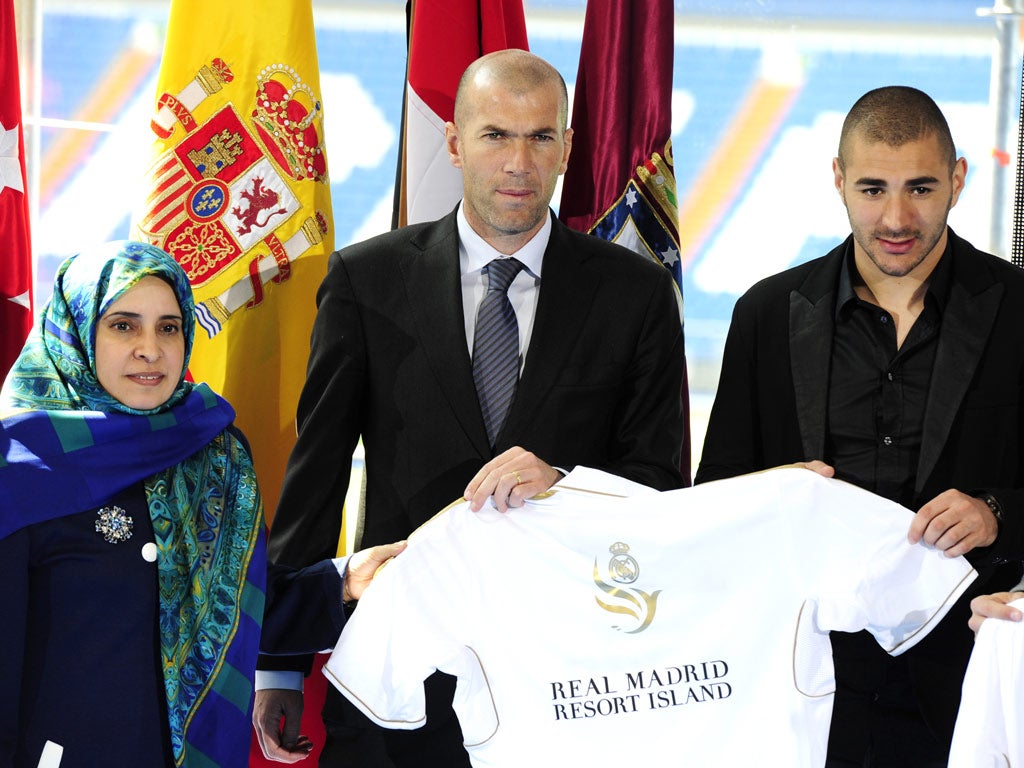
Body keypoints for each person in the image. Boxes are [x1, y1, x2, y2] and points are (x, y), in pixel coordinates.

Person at [256, 49, 687, 767]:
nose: (519, 161)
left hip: (571, 680)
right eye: (495, 135)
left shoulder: (634, 293)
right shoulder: (366, 280)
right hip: (398, 670)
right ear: (454, 143)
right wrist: (280, 659)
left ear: (567, 148)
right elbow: (317, 474)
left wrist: (565, 481)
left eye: (540, 137)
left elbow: (662, 485)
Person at [694, 85, 1024, 766]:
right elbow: (713, 505)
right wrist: (769, 495)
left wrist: (997, 512)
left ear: (959, 180)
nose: (896, 217)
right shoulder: (766, 314)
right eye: (873, 188)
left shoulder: (1020, 312)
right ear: (839, 180)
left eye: (922, 188)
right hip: (803, 687)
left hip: (971, 689)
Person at [0, 241, 403, 768]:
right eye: (124, 325)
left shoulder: (215, 450)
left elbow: (239, 608)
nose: (150, 348)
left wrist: (343, 581)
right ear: (76, 332)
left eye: (169, 326)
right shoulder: (22, 464)